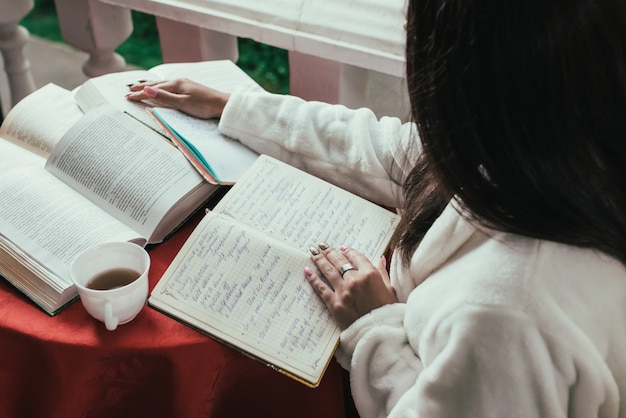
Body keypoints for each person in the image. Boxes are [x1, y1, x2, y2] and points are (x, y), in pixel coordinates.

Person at [127, 0, 626, 416]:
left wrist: (375, 326)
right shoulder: (566, 149)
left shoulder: (508, 313)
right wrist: (234, 108)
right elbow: (392, 152)